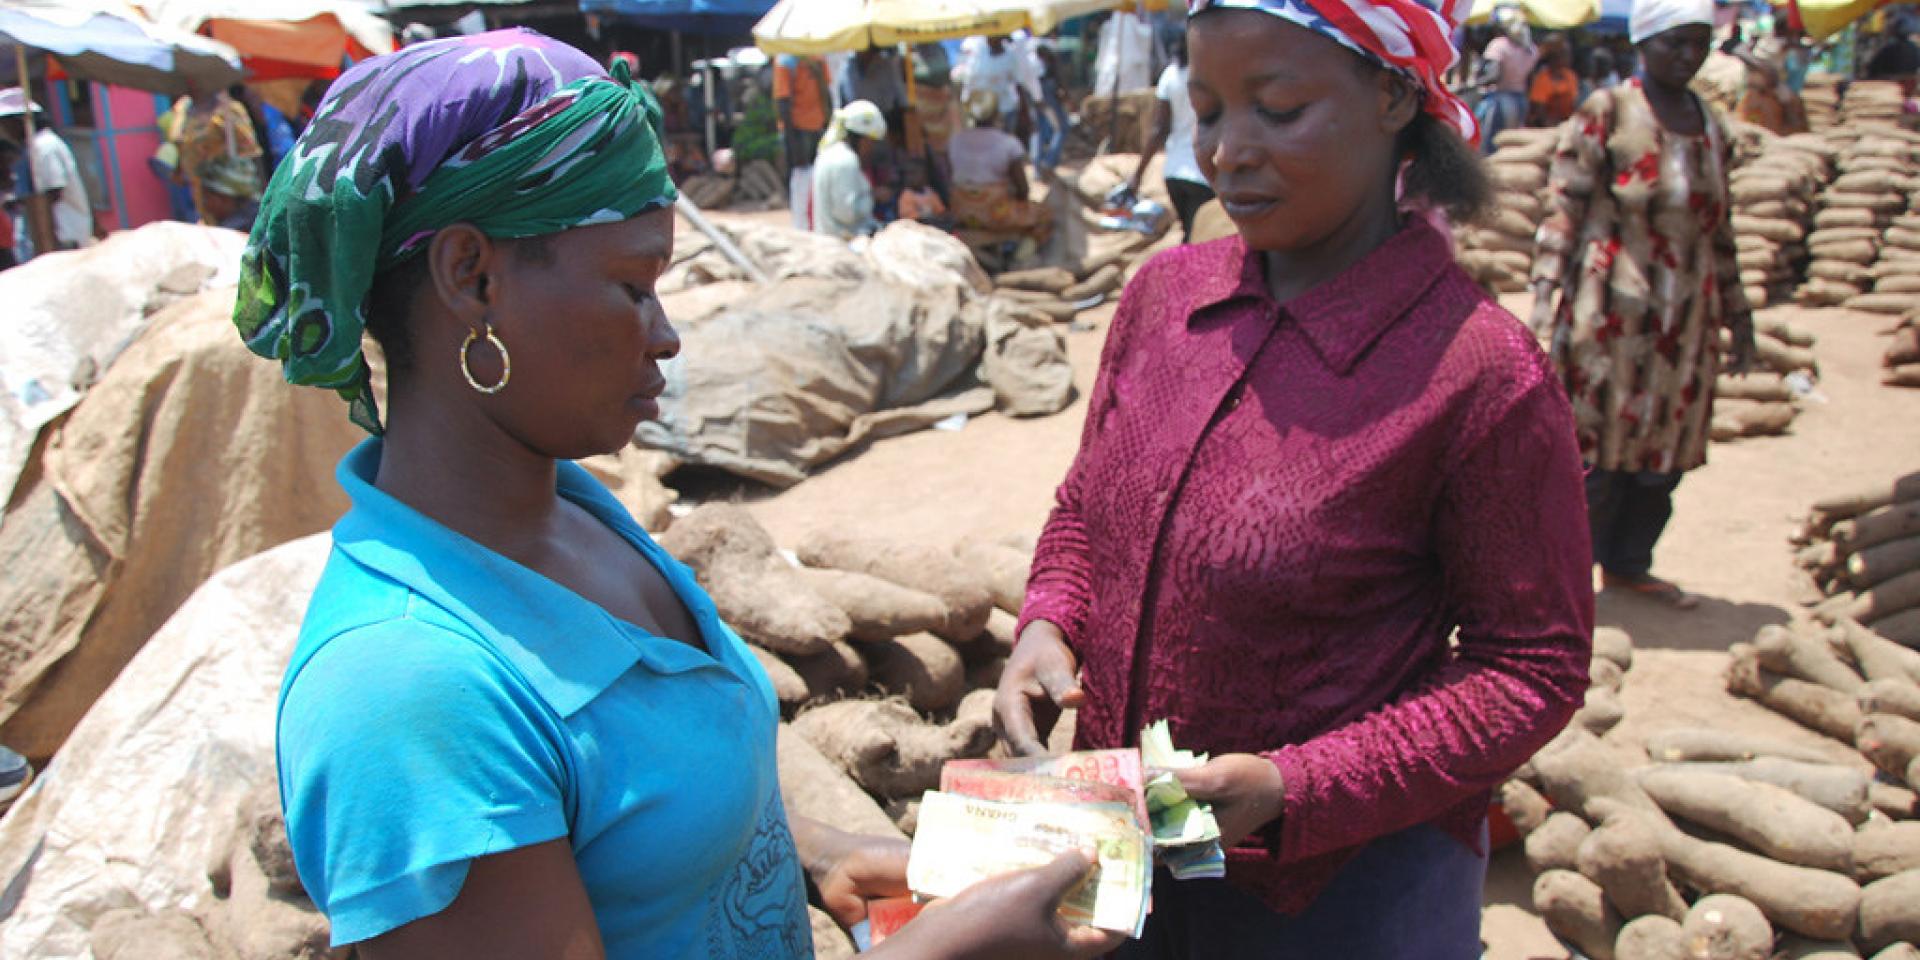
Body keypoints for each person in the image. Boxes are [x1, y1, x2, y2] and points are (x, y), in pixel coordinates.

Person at [244, 30, 1123, 960]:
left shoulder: (573, 510)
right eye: (632, 286)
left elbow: (630, 813)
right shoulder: (406, 692)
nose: (665, 335)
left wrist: (805, 853)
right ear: (471, 276)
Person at [994, 0, 1592, 956]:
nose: (1228, 151)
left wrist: (1295, 789)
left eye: (1277, 109)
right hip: (1124, 854)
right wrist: (1049, 618)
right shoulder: (1165, 298)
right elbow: (1086, 504)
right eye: (1210, 109)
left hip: (1344, 899)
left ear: (1395, 94)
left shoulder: (1479, 373)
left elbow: (1532, 668)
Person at [1529, 0, 1756, 610]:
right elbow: (1563, 211)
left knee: (1664, 461)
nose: (1687, 56)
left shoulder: (1710, 124)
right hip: (1609, 318)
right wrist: (1544, 298)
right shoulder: (1608, 112)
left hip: (1685, 324)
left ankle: (1630, 565)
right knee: (1594, 457)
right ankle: (1568, 577)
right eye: (1675, 43)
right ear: (1644, 41)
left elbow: (1721, 229)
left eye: (1698, 44)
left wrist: (1741, 315)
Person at [1131, 36, 1213, 243]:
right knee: (1201, 238)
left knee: (1189, 233)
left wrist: (1137, 174)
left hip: (1173, 172)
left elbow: (1159, 129)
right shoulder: (1210, 75)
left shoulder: (1170, 75)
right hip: (1201, 173)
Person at [948, 91, 1052, 246]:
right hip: (996, 214)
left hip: (962, 211)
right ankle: (1022, 253)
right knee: (1045, 214)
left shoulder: (955, 141)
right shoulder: (1008, 144)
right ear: (996, 113)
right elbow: (1023, 190)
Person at [0, 90, 92, 252]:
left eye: (5, 124)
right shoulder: (33, 148)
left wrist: (47, 246)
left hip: (62, 236)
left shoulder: (45, 147)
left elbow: (50, 195)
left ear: (19, 121)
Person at [163, 82, 263, 227]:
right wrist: (179, 169)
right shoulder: (183, 108)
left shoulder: (228, 109)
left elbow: (251, 151)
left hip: (227, 188)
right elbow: (181, 142)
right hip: (198, 190)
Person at [812, 100, 888, 240]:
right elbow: (847, 214)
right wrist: (872, 197)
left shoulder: (831, 153)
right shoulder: (846, 161)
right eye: (870, 141)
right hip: (844, 245)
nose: (871, 148)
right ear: (861, 138)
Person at [774, 54, 833, 230]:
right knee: (802, 177)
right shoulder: (787, 61)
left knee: (813, 178)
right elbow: (783, 101)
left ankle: (809, 223)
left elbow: (825, 94)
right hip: (798, 130)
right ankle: (801, 225)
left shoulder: (818, 59)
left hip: (814, 128)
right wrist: (792, 139)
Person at [1474, 5, 1538, 152]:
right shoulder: (1532, 49)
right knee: (1510, 144)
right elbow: (1531, 79)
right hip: (1521, 101)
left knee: (1491, 144)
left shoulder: (1499, 45)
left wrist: (1474, 84)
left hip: (1500, 101)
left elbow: (1493, 75)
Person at [961, 36, 1038, 135]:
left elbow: (1018, 83)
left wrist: (1025, 112)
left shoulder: (1011, 56)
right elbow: (970, 81)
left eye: (993, 37)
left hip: (1005, 108)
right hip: (984, 111)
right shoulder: (980, 55)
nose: (990, 40)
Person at [1736, 56, 1808, 134]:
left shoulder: (1788, 97)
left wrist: (1788, 106)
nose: (1750, 77)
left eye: (1754, 73)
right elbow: (1745, 122)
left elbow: (1799, 127)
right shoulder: (1750, 98)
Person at [1528, 34, 1581, 126]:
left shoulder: (1571, 76)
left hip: (1567, 124)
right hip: (1545, 127)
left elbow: (1574, 103)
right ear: (1554, 56)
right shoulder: (1542, 79)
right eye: (1566, 53)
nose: (1570, 56)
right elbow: (1539, 112)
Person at [198, 155, 261, 232]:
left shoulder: (231, 231)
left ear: (224, 197)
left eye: (207, 197)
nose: (205, 204)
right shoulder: (261, 212)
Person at [898, 161, 949, 226]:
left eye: (914, 173)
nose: (910, 178)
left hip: (933, 224)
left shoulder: (930, 192)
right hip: (915, 227)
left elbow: (940, 210)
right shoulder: (906, 195)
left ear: (925, 175)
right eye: (908, 174)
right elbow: (907, 217)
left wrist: (942, 216)